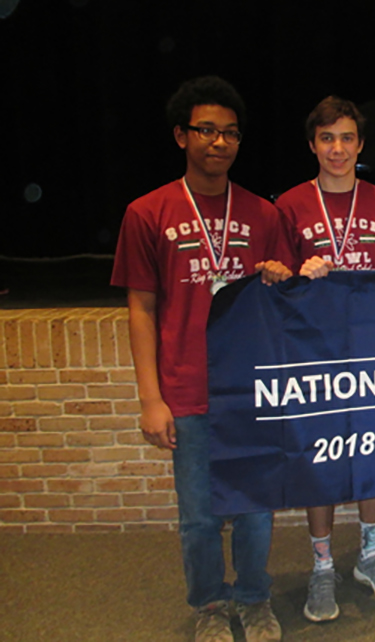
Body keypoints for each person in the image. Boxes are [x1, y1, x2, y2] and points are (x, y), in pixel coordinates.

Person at [111, 76, 289, 642]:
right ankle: (211, 606)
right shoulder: (147, 212)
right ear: (181, 135)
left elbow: (281, 295)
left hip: (251, 390)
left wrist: (280, 277)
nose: (219, 143)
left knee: (257, 510)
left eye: (230, 133)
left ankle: (255, 598)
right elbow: (141, 308)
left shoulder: (263, 214)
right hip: (185, 391)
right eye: (206, 131)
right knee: (199, 518)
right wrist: (150, 398)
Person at [273, 96, 375, 623]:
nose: (337, 149)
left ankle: (368, 554)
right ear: (312, 145)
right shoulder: (291, 204)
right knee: (321, 462)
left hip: (374, 355)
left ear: (360, 145)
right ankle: (322, 564)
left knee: (374, 455)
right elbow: (274, 282)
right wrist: (299, 274)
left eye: (346, 138)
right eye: (326, 138)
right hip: (316, 356)